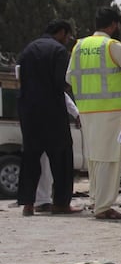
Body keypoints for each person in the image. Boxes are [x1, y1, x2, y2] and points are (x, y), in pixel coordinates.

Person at [67, 7, 121, 220]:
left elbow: (69, 77)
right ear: (114, 24)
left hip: (87, 111)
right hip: (109, 110)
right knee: (109, 159)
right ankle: (104, 207)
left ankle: (96, 200)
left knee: (95, 159)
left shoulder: (79, 46)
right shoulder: (112, 46)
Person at [16, 19, 81, 216]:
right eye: (68, 36)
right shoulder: (59, 51)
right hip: (52, 112)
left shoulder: (28, 50)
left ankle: (28, 203)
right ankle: (61, 203)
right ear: (61, 32)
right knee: (61, 157)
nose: (68, 40)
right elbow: (60, 82)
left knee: (31, 157)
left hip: (28, 111)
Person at [34, 93, 80, 213]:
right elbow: (60, 93)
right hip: (48, 120)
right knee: (46, 163)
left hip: (36, 118)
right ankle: (44, 201)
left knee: (45, 163)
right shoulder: (48, 79)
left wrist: (76, 113)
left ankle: (40, 201)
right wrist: (76, 113)